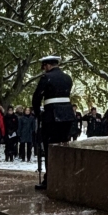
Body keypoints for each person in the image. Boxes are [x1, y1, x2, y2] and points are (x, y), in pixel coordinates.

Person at [31, 55, 75, 190]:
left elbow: (37, 97)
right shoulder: (68, 78)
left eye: (44, 67)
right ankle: (64, 175)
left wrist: (37, 112)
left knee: (50, 147)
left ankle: (50, 178)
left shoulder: (46, 78)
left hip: (51, 116)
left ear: (48, 66)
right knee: (63, 146)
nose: (44, 70)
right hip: (67, 116)